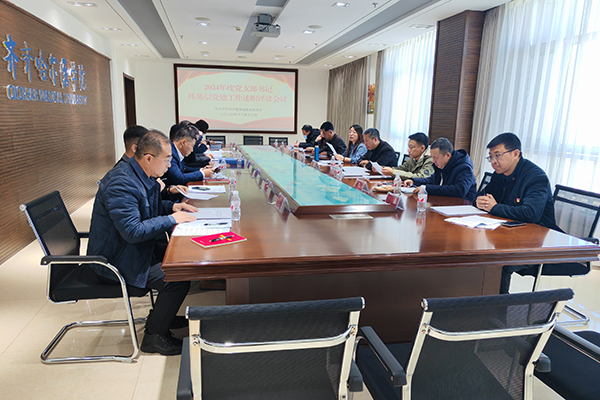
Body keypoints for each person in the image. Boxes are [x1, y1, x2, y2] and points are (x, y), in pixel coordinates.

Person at [88, 130, 199, 355]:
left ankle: (163, 316)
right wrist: (172, 219)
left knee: (179, 258)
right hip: (116, 260)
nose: (169, 165)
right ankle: (154, 337)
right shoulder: (121, 183)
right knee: (177, 276)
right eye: (166, 160)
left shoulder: (139, 175)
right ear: (148, 158)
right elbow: (133, 231)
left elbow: (146, 210)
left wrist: (173, 207)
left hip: (132, 249)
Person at [474, 132, 560, 293]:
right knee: (476, 251)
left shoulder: (536, 177)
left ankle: (498, 306)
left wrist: (494, 207)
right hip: (507, 234)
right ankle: (474, 299)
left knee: (499, 263)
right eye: (490, 157)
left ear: (515, 153)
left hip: (537, 241)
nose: (493, 162)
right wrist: (478, 201)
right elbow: (480, 196)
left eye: (497, 155)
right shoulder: (499, 175)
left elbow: (531, 213)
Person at [117, 125, 187, 198]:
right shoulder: (122, 179)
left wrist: (169, 191)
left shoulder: (139, 168)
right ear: (135, 148)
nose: (169, 165)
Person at [403, 137, 477, 201]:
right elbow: (433, 180)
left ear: (447, 155)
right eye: (432, 157)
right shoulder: (442, 164)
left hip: (462, 206)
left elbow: (459, 190)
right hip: (445, 203)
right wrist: (414, 181)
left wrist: (427, 188)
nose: (433, 161)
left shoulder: (464, 168)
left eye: (435, 157)